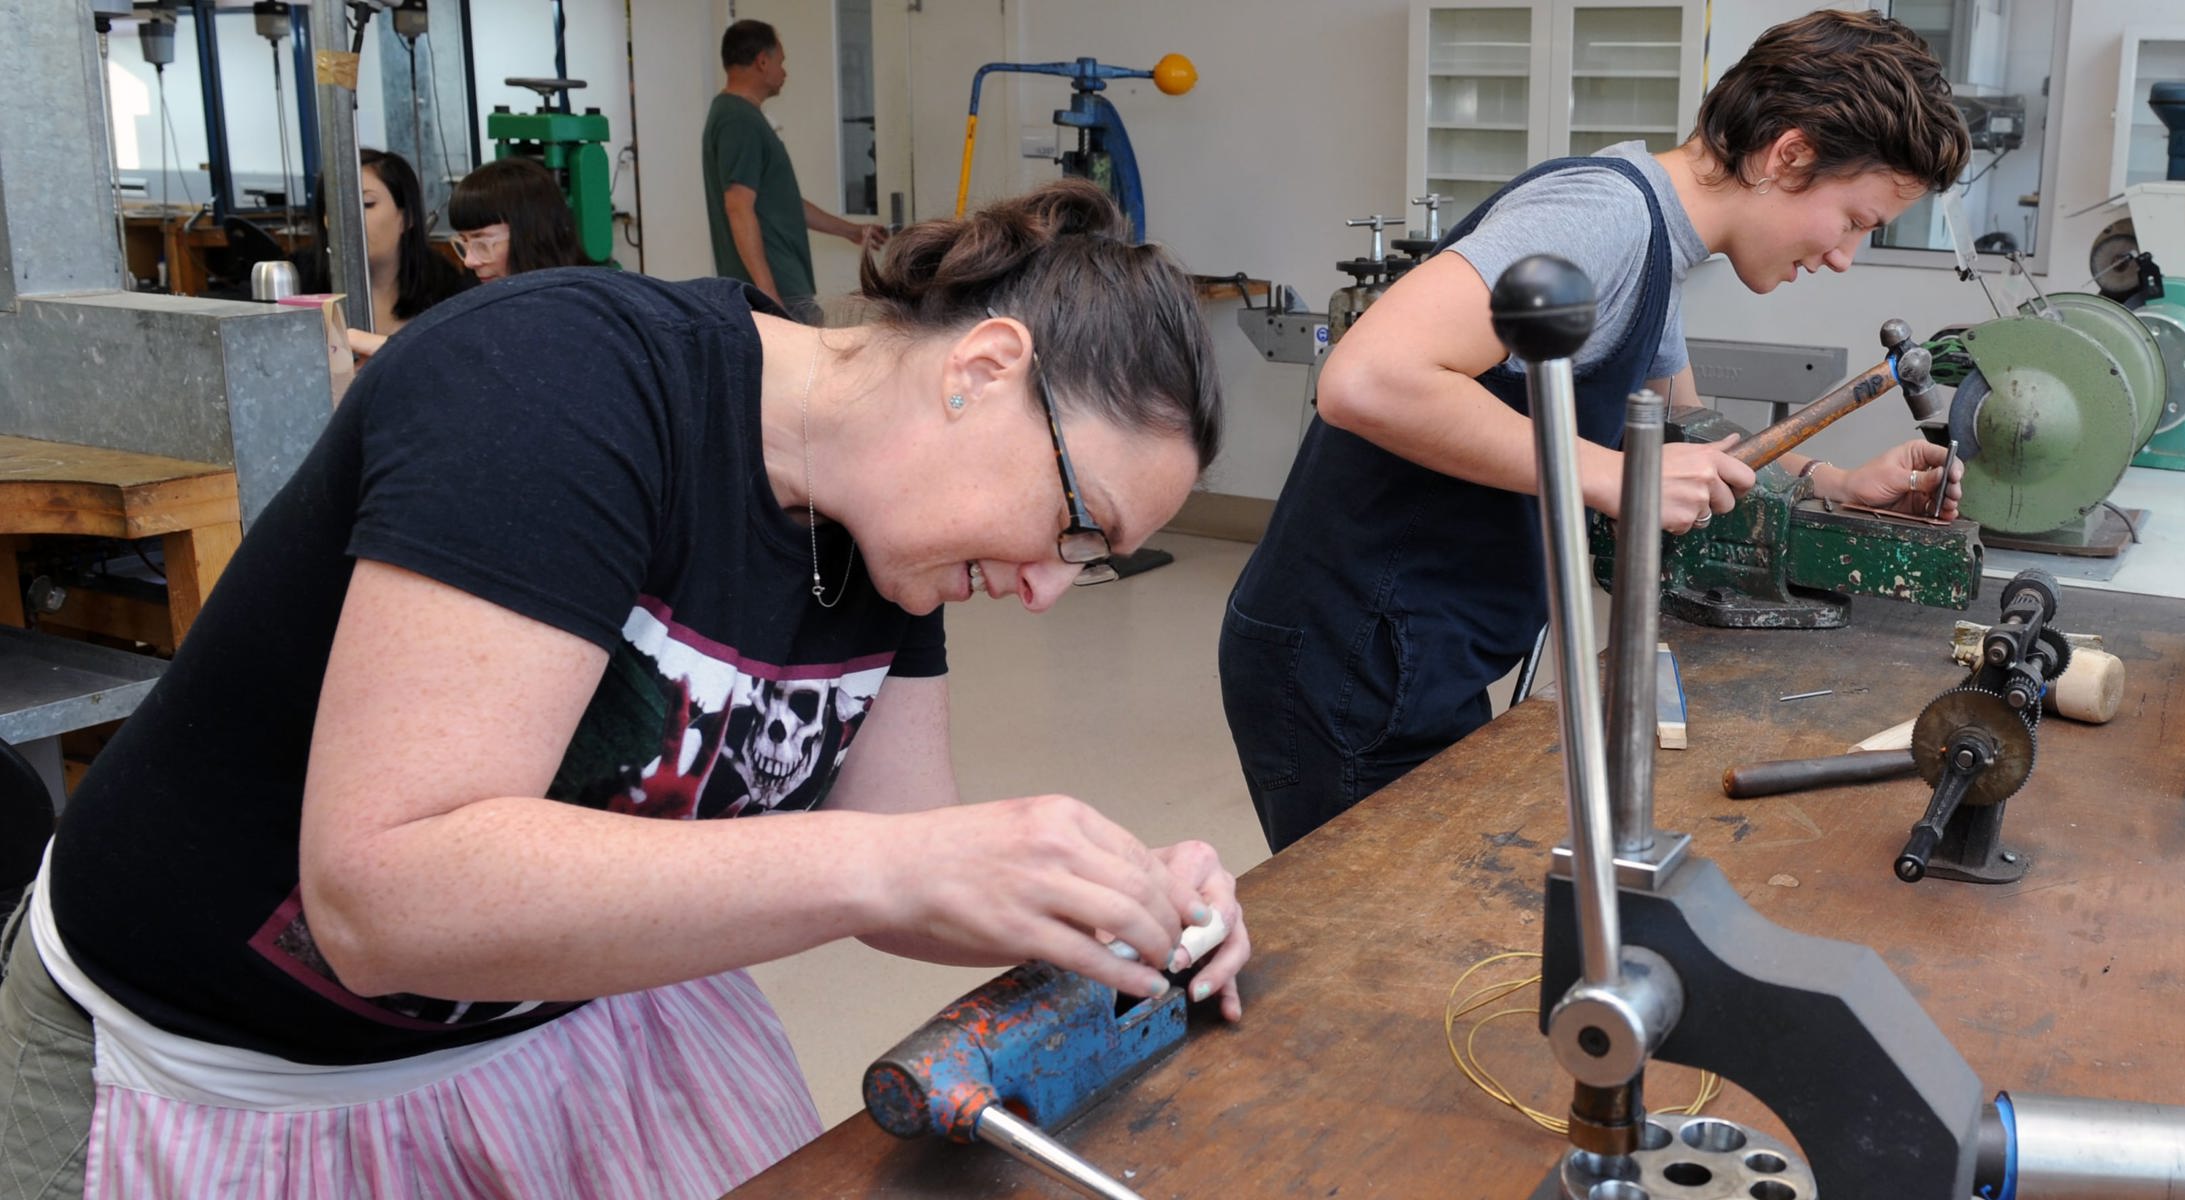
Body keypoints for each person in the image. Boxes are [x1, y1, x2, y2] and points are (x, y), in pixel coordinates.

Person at [0, 181, 1249, 1199]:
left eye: (1088, 569)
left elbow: (905, 865)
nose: (1045, 588)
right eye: (1073, 525)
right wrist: (898, 864)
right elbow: (383, 901)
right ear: (981, 364)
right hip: (217, 1074)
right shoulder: (561, 388)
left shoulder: (886, 539)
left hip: (557, 1035)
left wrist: (1122, 900)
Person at [1220, 10, 1974, 852]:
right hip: (1344, 656)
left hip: (1411, 647)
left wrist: (1831, 485)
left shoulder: (1657, 230)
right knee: (1360, 958)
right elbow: (1365, 379)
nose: (1844, 257)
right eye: (1856, 221)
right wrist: (1612, 476)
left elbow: (1685, 421)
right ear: (1787, 155)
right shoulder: (1605, 220)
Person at [703, 19, 889, 325]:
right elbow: (738, 206)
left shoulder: (740, 117)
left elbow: (785, 203)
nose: (784, 72)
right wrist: (768, 294)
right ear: (762, 61)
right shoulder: (739, 121)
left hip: (783, 288)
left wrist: (851, 231)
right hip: (777, 292)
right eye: (781, 61)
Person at [305, 149, 470, 361]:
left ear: (406, 217)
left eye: (367, 204)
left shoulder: (448, 292)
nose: (347, 218)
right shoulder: (302, 284)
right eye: (332, 207)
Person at [447, 156, 596, 283]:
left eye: (482, 244)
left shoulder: (588, 302)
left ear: (535, 235)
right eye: (464, 243)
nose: (469, 261)